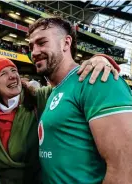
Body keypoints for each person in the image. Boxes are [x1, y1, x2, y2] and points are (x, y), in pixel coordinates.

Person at [0, 54, 119, 184]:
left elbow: (71, 84)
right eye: (3, 74)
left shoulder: (38, 99)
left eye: (13, 70)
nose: (12, 76)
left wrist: (99, 59)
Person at [28, 17, 132, 184]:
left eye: (42, 42)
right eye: (31, 46)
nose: (34, 52)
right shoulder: (54, 91)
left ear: (66, 43)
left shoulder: (98, 79)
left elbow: (125, 166)